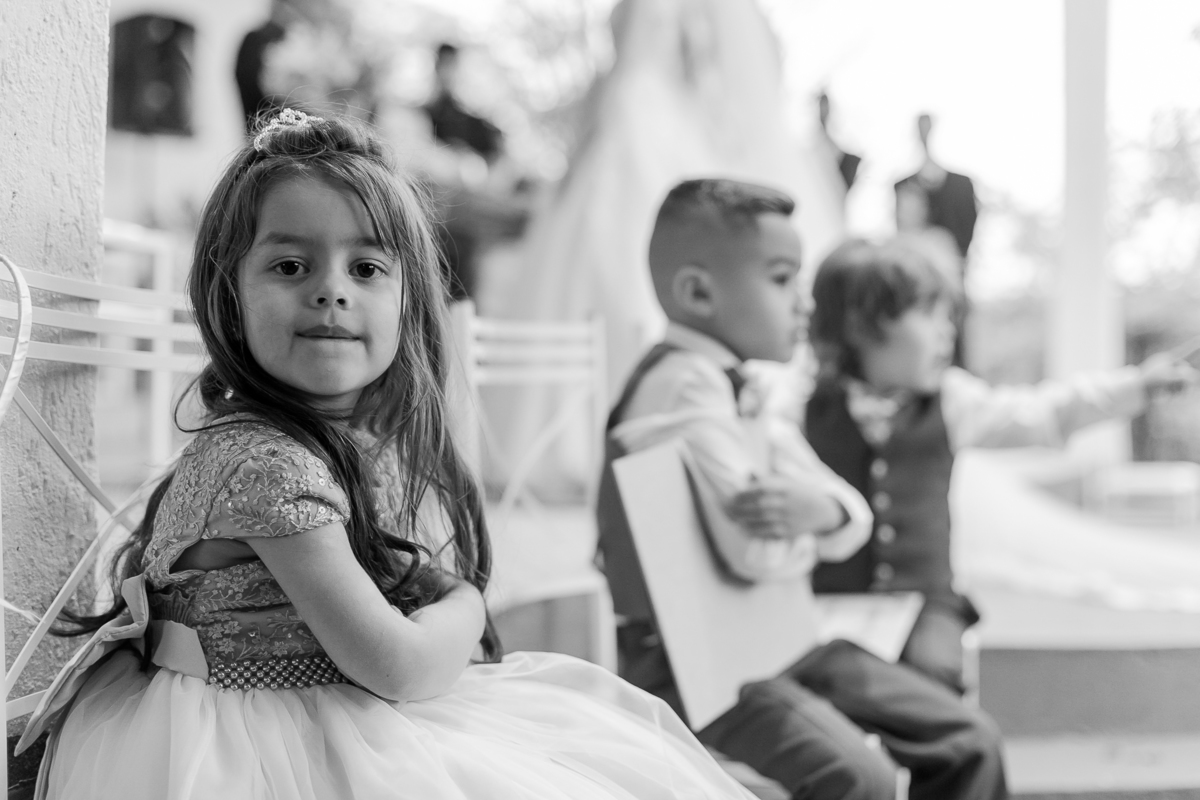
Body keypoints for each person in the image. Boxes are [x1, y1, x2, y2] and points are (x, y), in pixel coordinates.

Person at [19, 111, 757, 800]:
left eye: (367, 268)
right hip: (253, 746)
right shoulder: (265, 465)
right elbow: (399, 665)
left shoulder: (334, 440)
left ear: (407, 302)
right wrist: (465, 601)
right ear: (229, 294)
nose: (331, 292)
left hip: (314, 706)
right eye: (290, 266)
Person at [597, 178, 1008, 800]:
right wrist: (816, 526)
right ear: (699, 293)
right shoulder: (685, 389)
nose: (805, 305)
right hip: (699, 662)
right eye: (783, 280)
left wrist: (819, 513)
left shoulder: (741, 386)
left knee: (969, 738)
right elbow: (751, 553)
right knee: (859, 778)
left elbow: (846, 511)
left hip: (776, 636)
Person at [804, 238, 1197, 692]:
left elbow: (1045, 412)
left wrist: (1136, 387)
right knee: (818, 678)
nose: (947, 332)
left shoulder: (953, 401)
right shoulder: (800, 405)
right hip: (828, 600)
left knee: (934, 673)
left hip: (925, 605)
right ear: (861, 327)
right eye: (928, 315)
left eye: (949, 317)